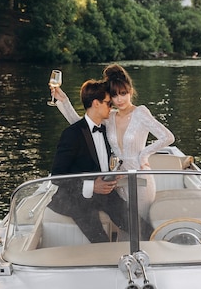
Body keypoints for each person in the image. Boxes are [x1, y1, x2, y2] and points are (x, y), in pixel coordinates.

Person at [51, 64, 175, 219]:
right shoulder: (110, 117)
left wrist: (144, 155)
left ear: (130, 91)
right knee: (124, 224)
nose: (119, 99)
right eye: (115, 96)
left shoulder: (140, 112)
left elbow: (167, 137)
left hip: (139, 176)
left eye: (123, 93)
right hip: (116, 179)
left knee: (138, 224)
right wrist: (63, 101)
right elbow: (82, 125)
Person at [49, 79, 129, 243]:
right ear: (96, 103)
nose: (112, 106)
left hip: (105, 193)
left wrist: (114, 174)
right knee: (101, 241)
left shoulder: (107, 129)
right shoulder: (72, 134)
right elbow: (56, 176)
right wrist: (92, 186)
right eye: (108, 103)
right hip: (75, 198)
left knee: (136, 223)